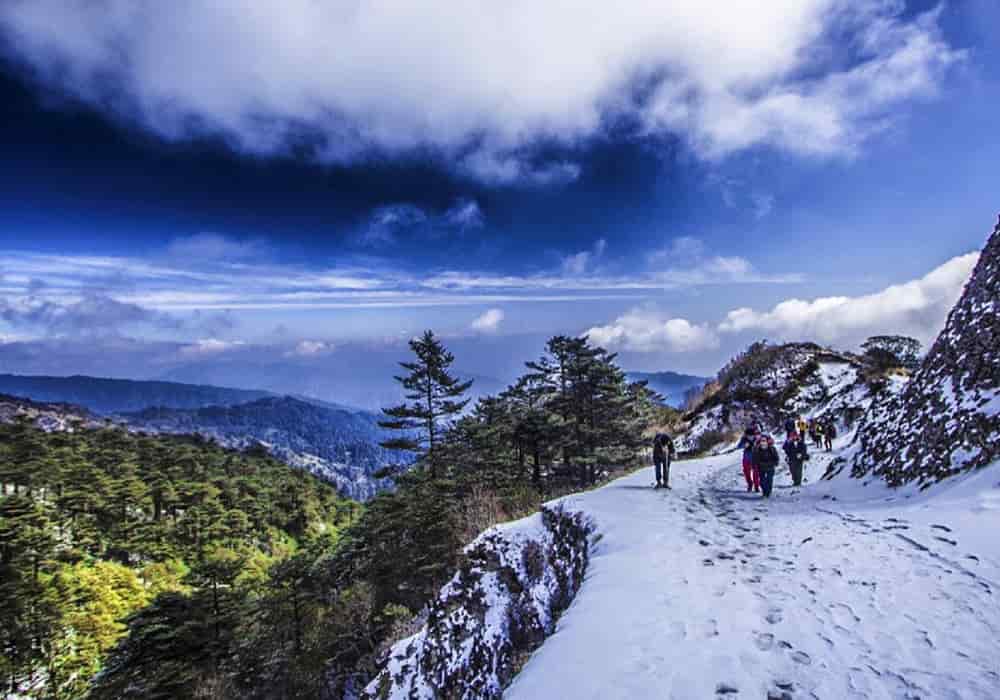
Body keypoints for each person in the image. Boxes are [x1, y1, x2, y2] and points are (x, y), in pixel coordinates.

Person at [738, 425, 760, 493]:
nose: (750, 437)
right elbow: (739, 446)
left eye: (752, 435)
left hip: (755, 458)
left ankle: (756, 486)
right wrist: (744, 445)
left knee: (756, 473)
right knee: (746, 472)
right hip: (746, 458)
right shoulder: (744, 439)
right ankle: (750, 484)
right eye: (748, 435)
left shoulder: (757, 439)